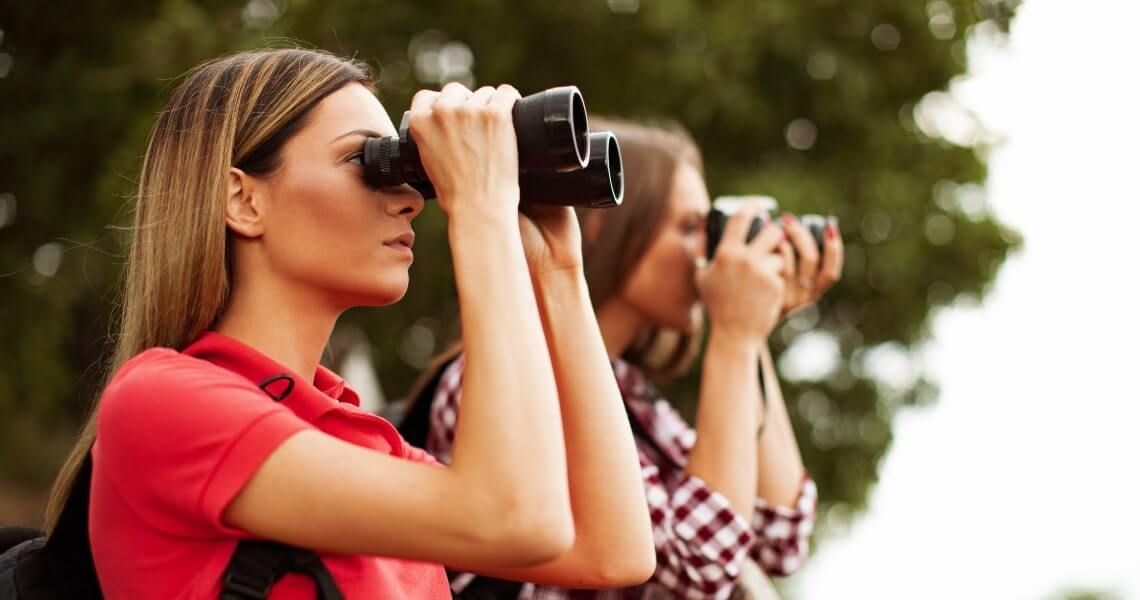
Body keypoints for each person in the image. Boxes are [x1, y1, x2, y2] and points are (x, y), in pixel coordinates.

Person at [41, 48, 654, 599]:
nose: (412, 197)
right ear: (243, 201)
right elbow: (518, 519)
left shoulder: (357, 436)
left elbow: (613, 551)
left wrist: (560, 272)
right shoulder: (163, 401)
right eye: (368, 161)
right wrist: (480, 212)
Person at [419, 119, 843, 598]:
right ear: (596, 220)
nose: (706, 255)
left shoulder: (630, 396)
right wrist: (734, 338)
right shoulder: (506, 375)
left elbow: (778, 536)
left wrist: (753, 329)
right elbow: (699, 565)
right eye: (688, 228)